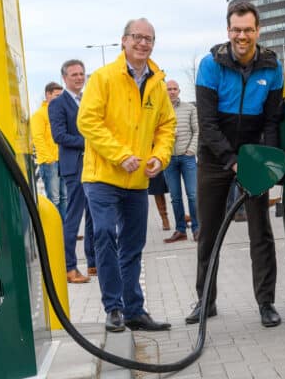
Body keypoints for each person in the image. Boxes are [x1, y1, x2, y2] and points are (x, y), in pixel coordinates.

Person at [186, 1, 283, 328]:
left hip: (253, 155)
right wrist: (231, 162)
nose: (242, 36)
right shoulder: (210, 65)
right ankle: (205, 301)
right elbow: (207, 122)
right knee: (209, 233)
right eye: (236, 30)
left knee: (261, 232)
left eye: (248, 30)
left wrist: (267, 163)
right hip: (215, 158)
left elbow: (272, 121)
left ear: (258, 30)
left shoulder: (271, 66)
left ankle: (266, 302)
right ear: (228, 31)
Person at [78, 18, 176, 333]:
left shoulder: (157, 84)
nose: (143, 43)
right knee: (105, 233)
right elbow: (88, 121)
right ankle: (114, 308)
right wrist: (120, 155)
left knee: (133, 244)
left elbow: (166, 126)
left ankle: (134, 310)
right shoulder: (103, 78)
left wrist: (160, 157)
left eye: (149, 38)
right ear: (123, 40)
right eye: (137, 37)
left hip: (137, 180)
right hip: (102, 176)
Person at [49, 60, 96, 284]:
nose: (79, 77)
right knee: (73, 218)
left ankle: (94, 261)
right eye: (74, 74)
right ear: (65, 78)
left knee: (93, 216)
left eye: (81, 74)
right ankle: (69, 267)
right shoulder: (58, 104)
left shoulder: (88, 100)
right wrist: (88, 142)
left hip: (93, 166)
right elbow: (59, 136)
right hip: (74, 166)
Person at [163, 79, 200, 243]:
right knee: (175, 197)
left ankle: (198, 229)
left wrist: (191, 150)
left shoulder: (190, 108)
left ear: (179, 91)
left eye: (174, 89)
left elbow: (198, 131)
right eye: (168, 89)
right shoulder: (160, 111)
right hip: (169, 159)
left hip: (187, 158)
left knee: (192, 195)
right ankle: (180, 230)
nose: (171, 91)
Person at [31, 82, 67, 218]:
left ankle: (66, 232)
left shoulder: (59, 113)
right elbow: (38, 138)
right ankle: (57, 233)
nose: (60, 98)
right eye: (57, 95)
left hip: (62, 161)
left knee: (65, 198)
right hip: (49, 163)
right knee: (54, 199)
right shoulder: (39, 115)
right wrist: (49, 159)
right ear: (48, 95)